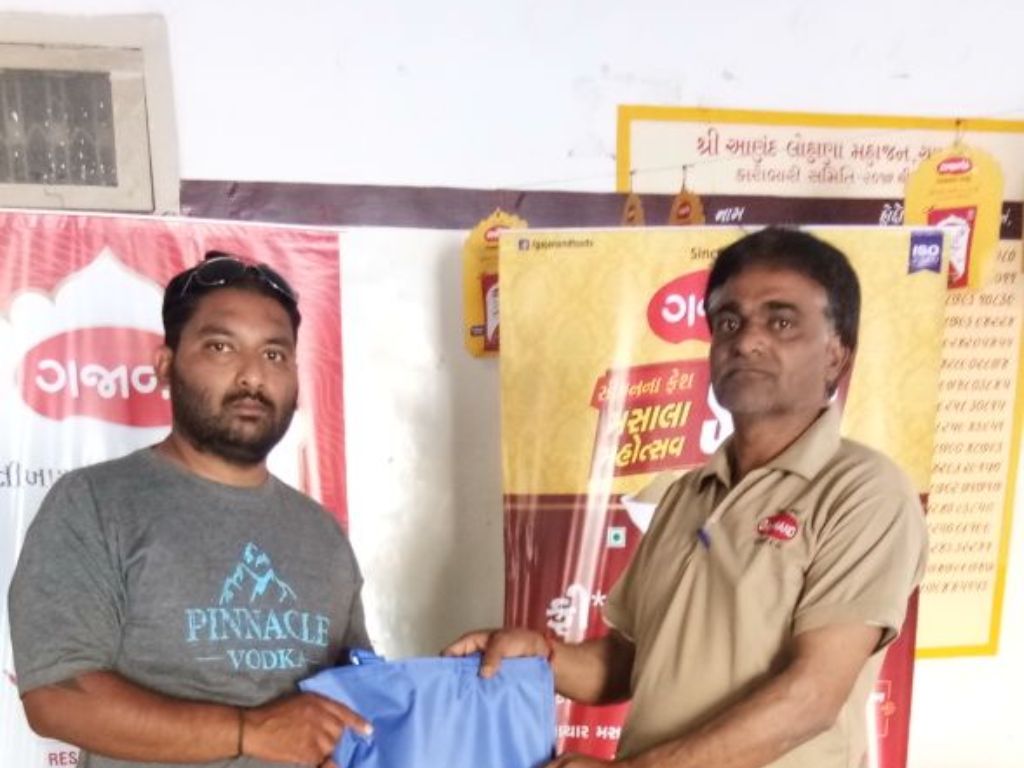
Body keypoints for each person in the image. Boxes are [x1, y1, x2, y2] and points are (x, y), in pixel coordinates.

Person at [446, 228, 928, 768]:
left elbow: (810, 698)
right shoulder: (687, 494)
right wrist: (541, 655)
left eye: (781, 322)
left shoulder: (864, 492)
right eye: (729, 322)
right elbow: (626, 663)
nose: (746, 341)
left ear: (837, 355)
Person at [9, 253, 372, 768]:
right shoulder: (94, 503)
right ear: (165, 365)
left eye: (274, 354)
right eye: (221, 347)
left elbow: (359, 693)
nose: (252, 376)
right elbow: (58, 696)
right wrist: (250, 732)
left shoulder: (321, 532)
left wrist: (473, 675)